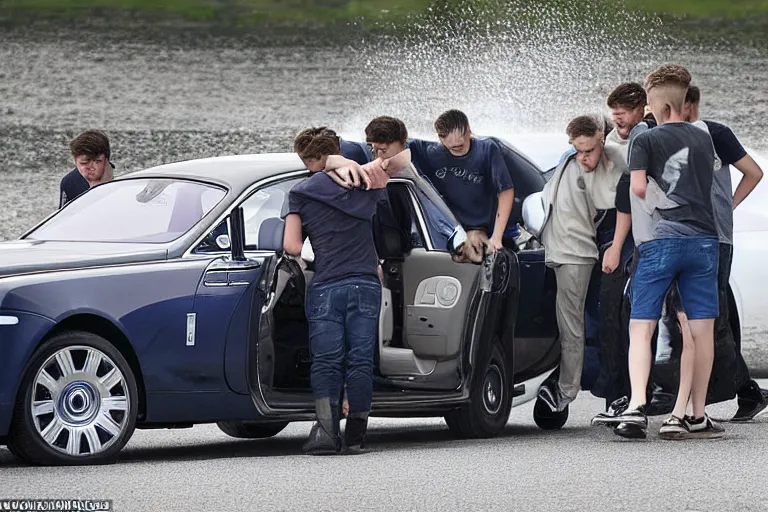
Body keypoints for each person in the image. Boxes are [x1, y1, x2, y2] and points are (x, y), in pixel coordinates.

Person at [607, 64, 723, 440]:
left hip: (660, 242)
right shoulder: (705, 137)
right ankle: (697, 415)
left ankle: (637, 407)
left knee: (642, 326)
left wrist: (662, 201)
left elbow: (637, 188)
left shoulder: (645, 140)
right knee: (700, 330)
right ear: (683, 102)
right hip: (704, 242)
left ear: (654, 105)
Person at [681, 85, 766, 421]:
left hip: (715, 237)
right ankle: (746, 390)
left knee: (712, 315)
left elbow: (754, 173)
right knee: (716, 314)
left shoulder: (716, 133)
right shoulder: (664, 134)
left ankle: (737, 391)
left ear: (691, 105)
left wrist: (729, 205)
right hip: (690, 235)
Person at [536, 115, 625, 413]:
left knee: (572, 324)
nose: (584, 157)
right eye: (578, 150)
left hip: (576, 255)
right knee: (572, 323)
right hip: (558, 253)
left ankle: (566, 391)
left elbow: (615, 211)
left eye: (589, 151)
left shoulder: (606, 172)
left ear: (602, 143)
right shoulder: (569, 160)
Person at [406, 110, 515, 254]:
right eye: (453, 148)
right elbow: (396, 146)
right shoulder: (429, 152)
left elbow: (505, 190)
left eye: (462, 144)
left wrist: (497, 237)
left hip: (486, 229)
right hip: (453, 231)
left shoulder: (487, 149)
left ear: (469, 130)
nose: (458, 149)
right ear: (441, 139)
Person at [59, 130, 115, 208]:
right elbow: (64, 217)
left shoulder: (121, 183)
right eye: (84, 163)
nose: (91, 168)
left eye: (97, 161)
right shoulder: (69, 183)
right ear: (75, 161)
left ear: (107, 160)